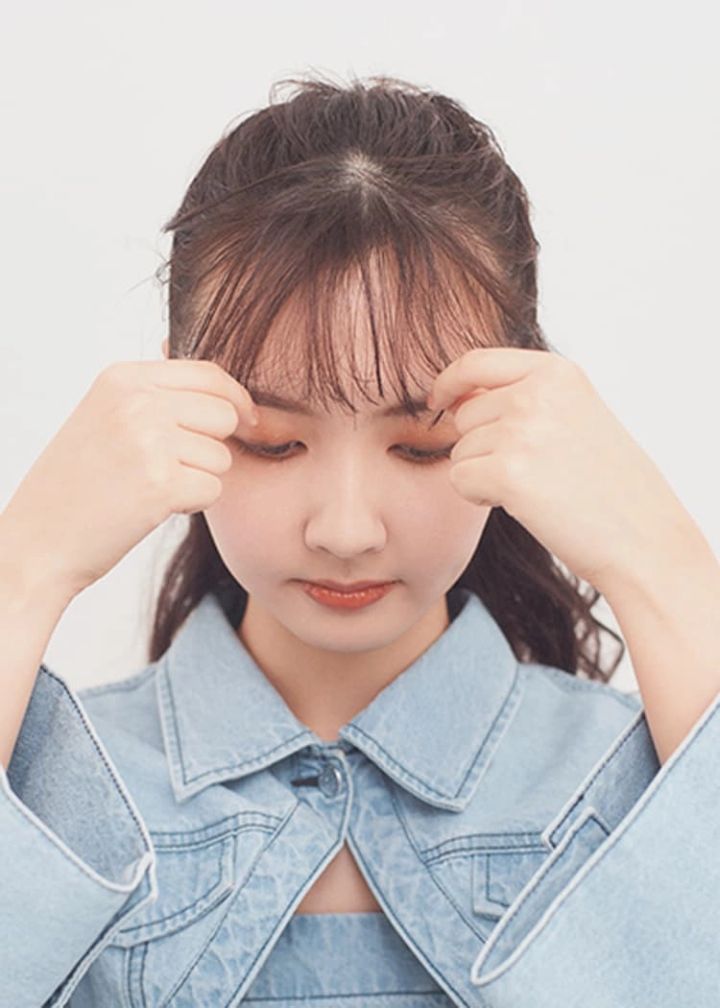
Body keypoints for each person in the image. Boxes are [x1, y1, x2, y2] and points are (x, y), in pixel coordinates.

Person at [1, 72, 718, 1008]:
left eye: (421, 445)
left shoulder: (645, 776)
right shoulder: (49, 783)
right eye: (273, 441)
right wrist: (23, 567)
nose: (345, 530)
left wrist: (665, 564)